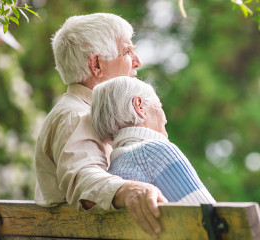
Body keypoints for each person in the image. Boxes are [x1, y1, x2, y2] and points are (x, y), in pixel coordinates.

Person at [34, 13, 167, 239]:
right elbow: (83, 177)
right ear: (96, 64)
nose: (138, 61)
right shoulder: (77, 115)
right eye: (127, 52)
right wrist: (130, 190)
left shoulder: (88, 113)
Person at [91, 76, 216, 203]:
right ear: (139, 106)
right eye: (159, 106)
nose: (165, 119)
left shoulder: (114, 169)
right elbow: (211, 217)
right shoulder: (155, 152)